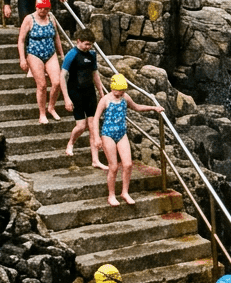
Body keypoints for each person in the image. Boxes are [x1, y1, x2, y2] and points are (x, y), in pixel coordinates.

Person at [95, 73, 163, 205]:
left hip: (121, 133)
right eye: (119, 91)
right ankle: (111, 195)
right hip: (108, 134)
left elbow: (137, 107)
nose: (120, 93)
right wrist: (97, 138)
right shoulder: (105, 100)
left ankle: (125, 192)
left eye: (122, 91)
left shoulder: (125, 97)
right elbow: (96, 118)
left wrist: (154, 108)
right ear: (113, 88)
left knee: (128, 164)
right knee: (113, 167)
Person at [61, 33, 108, 169]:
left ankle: (95, 160)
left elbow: (95, 73)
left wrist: (100, 90)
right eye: (86, 44)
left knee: (93, 127)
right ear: (79, 41)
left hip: (89, 92)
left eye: (90, 44)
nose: (88, 47)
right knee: (81, 126)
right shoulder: (72, 54)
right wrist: (66, 98)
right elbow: (62, 76)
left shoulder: (92, 55)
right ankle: (71, 142)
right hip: (75, 92)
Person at [17, 0, 65, 124]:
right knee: (42, 85)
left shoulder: (51, 18)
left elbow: (57, 37)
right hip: (34, 53)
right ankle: (42, 113)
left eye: (46, 9)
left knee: (57, 82)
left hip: (50, 53)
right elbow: (21, 40)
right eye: (41, 9)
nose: (43, 11)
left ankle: (51, 107)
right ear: (36, 7)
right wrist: (22, 59)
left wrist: (61, 54)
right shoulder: (29, 19)